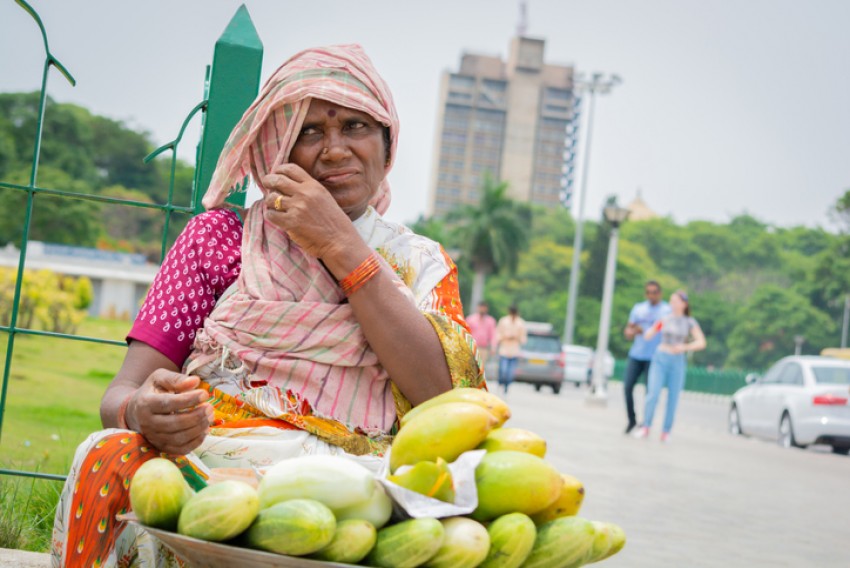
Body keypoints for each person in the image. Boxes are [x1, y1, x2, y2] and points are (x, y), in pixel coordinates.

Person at [51, 44, 485, 567]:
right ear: (275, 148)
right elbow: (120, 393)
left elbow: (444, 398)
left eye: (355, 127)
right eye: (308, 130)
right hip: (205, 469)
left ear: (386, 144)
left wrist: (344, 249)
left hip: (354, 485)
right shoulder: (218, 240)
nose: (334, 150)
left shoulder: (420, 262)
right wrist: (141, 410)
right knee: (108, 453)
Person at [633, 290, 706, 442]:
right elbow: (650, 334)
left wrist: (684, 347)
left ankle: (666, 431)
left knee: (673, 397)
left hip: (677, 360)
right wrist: (644, 328)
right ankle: (646, 426)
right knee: (652, 394)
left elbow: (701, 342)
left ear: (683, 304)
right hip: (660, 357)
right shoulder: (664, 319)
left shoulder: (689, 322)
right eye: (671, 301)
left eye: (675, 301)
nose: (672, 304)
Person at [622, 280, 671, 434]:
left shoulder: (666, 311)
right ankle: (632, 420)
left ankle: (646, 423)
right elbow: (628, 330)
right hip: (637, 354)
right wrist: (632, 332)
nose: (652, 295)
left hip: (655, 357)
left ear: (660, 293)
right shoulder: (639, 309)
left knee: (650, 393)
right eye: (649, 292)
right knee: (627, 387)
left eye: (655, 292)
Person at [495, 305, 527, 394]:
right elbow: (498, 334)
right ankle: (500, 383)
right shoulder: (504, 321)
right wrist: (505, 336)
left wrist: (516, 337)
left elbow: (523, 339)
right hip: (504, 350)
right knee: (503, 370)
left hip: (514, 351)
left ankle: (506, 387)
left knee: (510, 373)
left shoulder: (521, 323)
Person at [467, 301, 497, 367]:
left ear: (487, 309)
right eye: (481, 307)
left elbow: (493, 335)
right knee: (470, 367)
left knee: (480, 368)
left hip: (484, 349)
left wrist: (493, 347)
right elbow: (466, 332)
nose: (482, 309)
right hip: (471, 347)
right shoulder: (470, 319)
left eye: (484, 308)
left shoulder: (491, 321)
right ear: (478, 308)